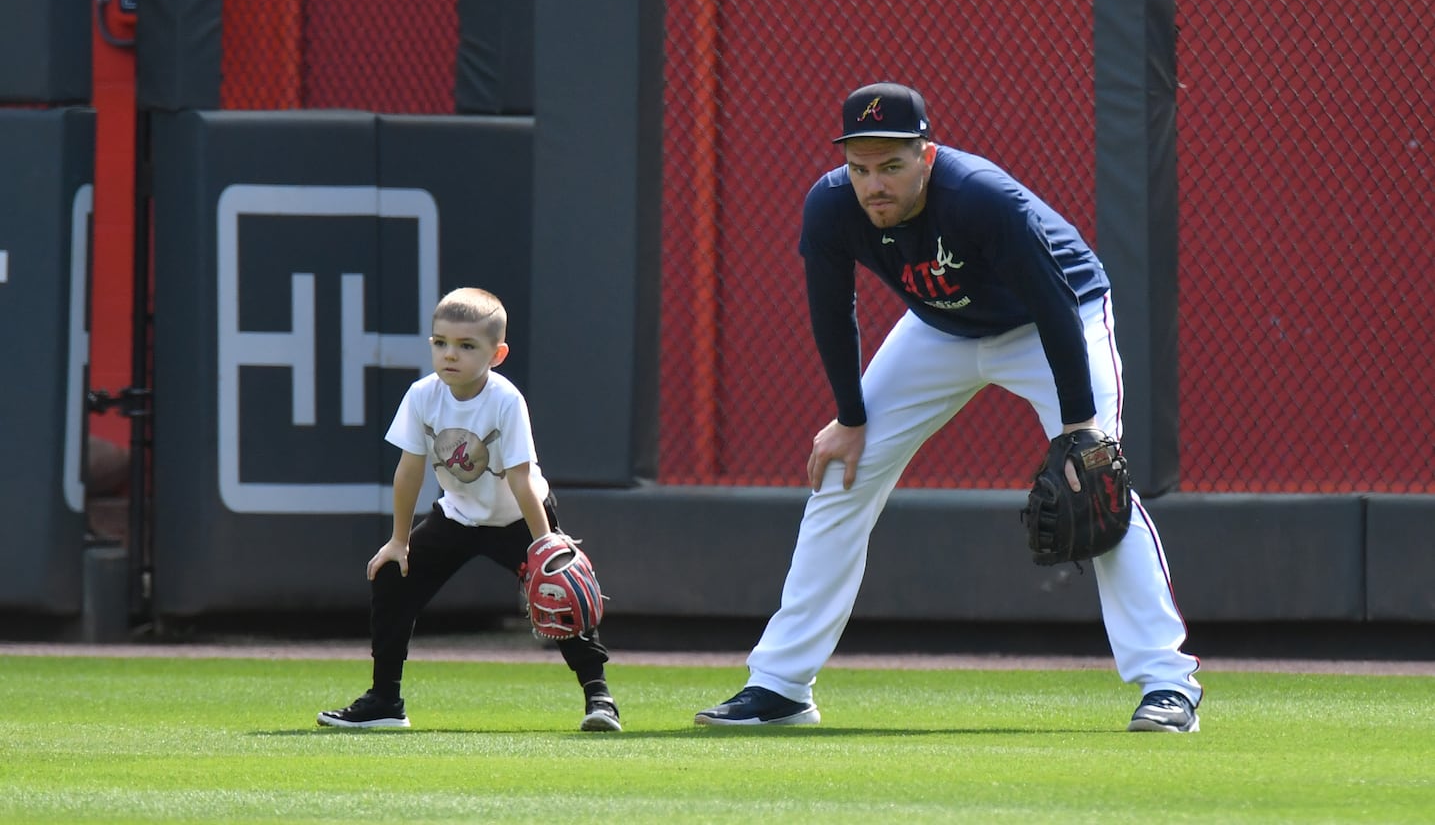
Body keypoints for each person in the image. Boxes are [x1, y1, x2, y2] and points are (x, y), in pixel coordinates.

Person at [694, 82, 1202, 733]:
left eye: (890, 165)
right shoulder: (830, 206)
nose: (873, 183)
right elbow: (832, 311)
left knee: (1097, 485)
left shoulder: (980, 198)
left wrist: (1079, 429)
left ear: (925, 155)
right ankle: (781, 685)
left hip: (1051, 322)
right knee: (840, 477)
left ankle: (1167, 685)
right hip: (937, 330)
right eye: (859, 167)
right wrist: (849, 419)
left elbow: (1051, 304)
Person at [318, 286, 621, 732]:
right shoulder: (423, 396)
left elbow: (520, 479)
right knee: (390, 576)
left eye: (466, 346)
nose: (450, 355)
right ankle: (385, 701)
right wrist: (398, 541)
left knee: (560, 592)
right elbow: (409, 472)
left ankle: (599, 697)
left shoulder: (505, 400)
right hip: (458, 516)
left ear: (496, 354)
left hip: (519, 516)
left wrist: (545, 546)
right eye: (440, 343)